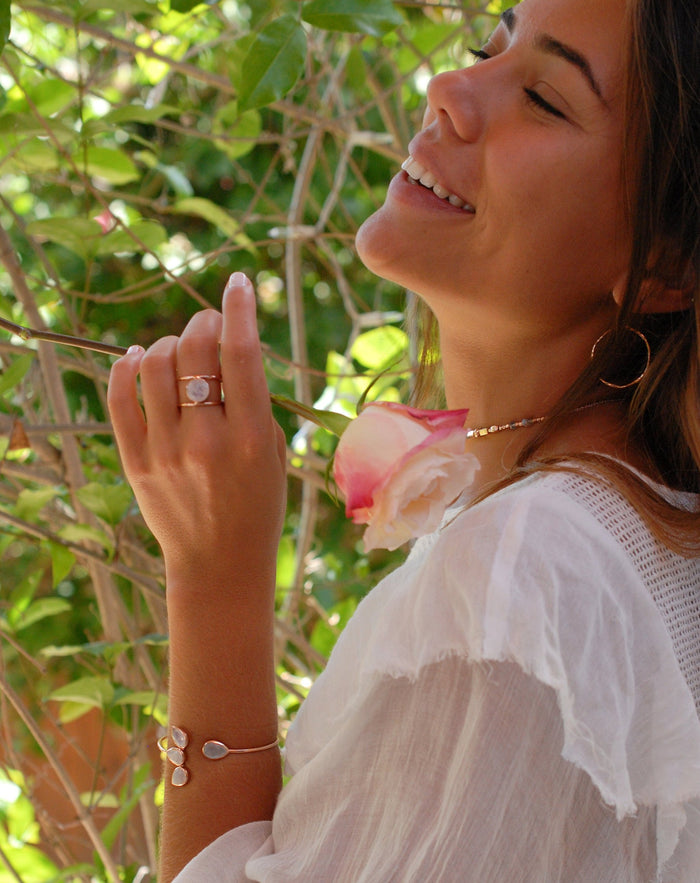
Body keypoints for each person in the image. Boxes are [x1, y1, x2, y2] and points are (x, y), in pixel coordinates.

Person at [107, 0, 700, 878]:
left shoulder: (528, 578)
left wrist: (214, 580)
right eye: (482, 49)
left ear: (666, 267)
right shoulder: (633, 541)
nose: (450, 87)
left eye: (543, 97)